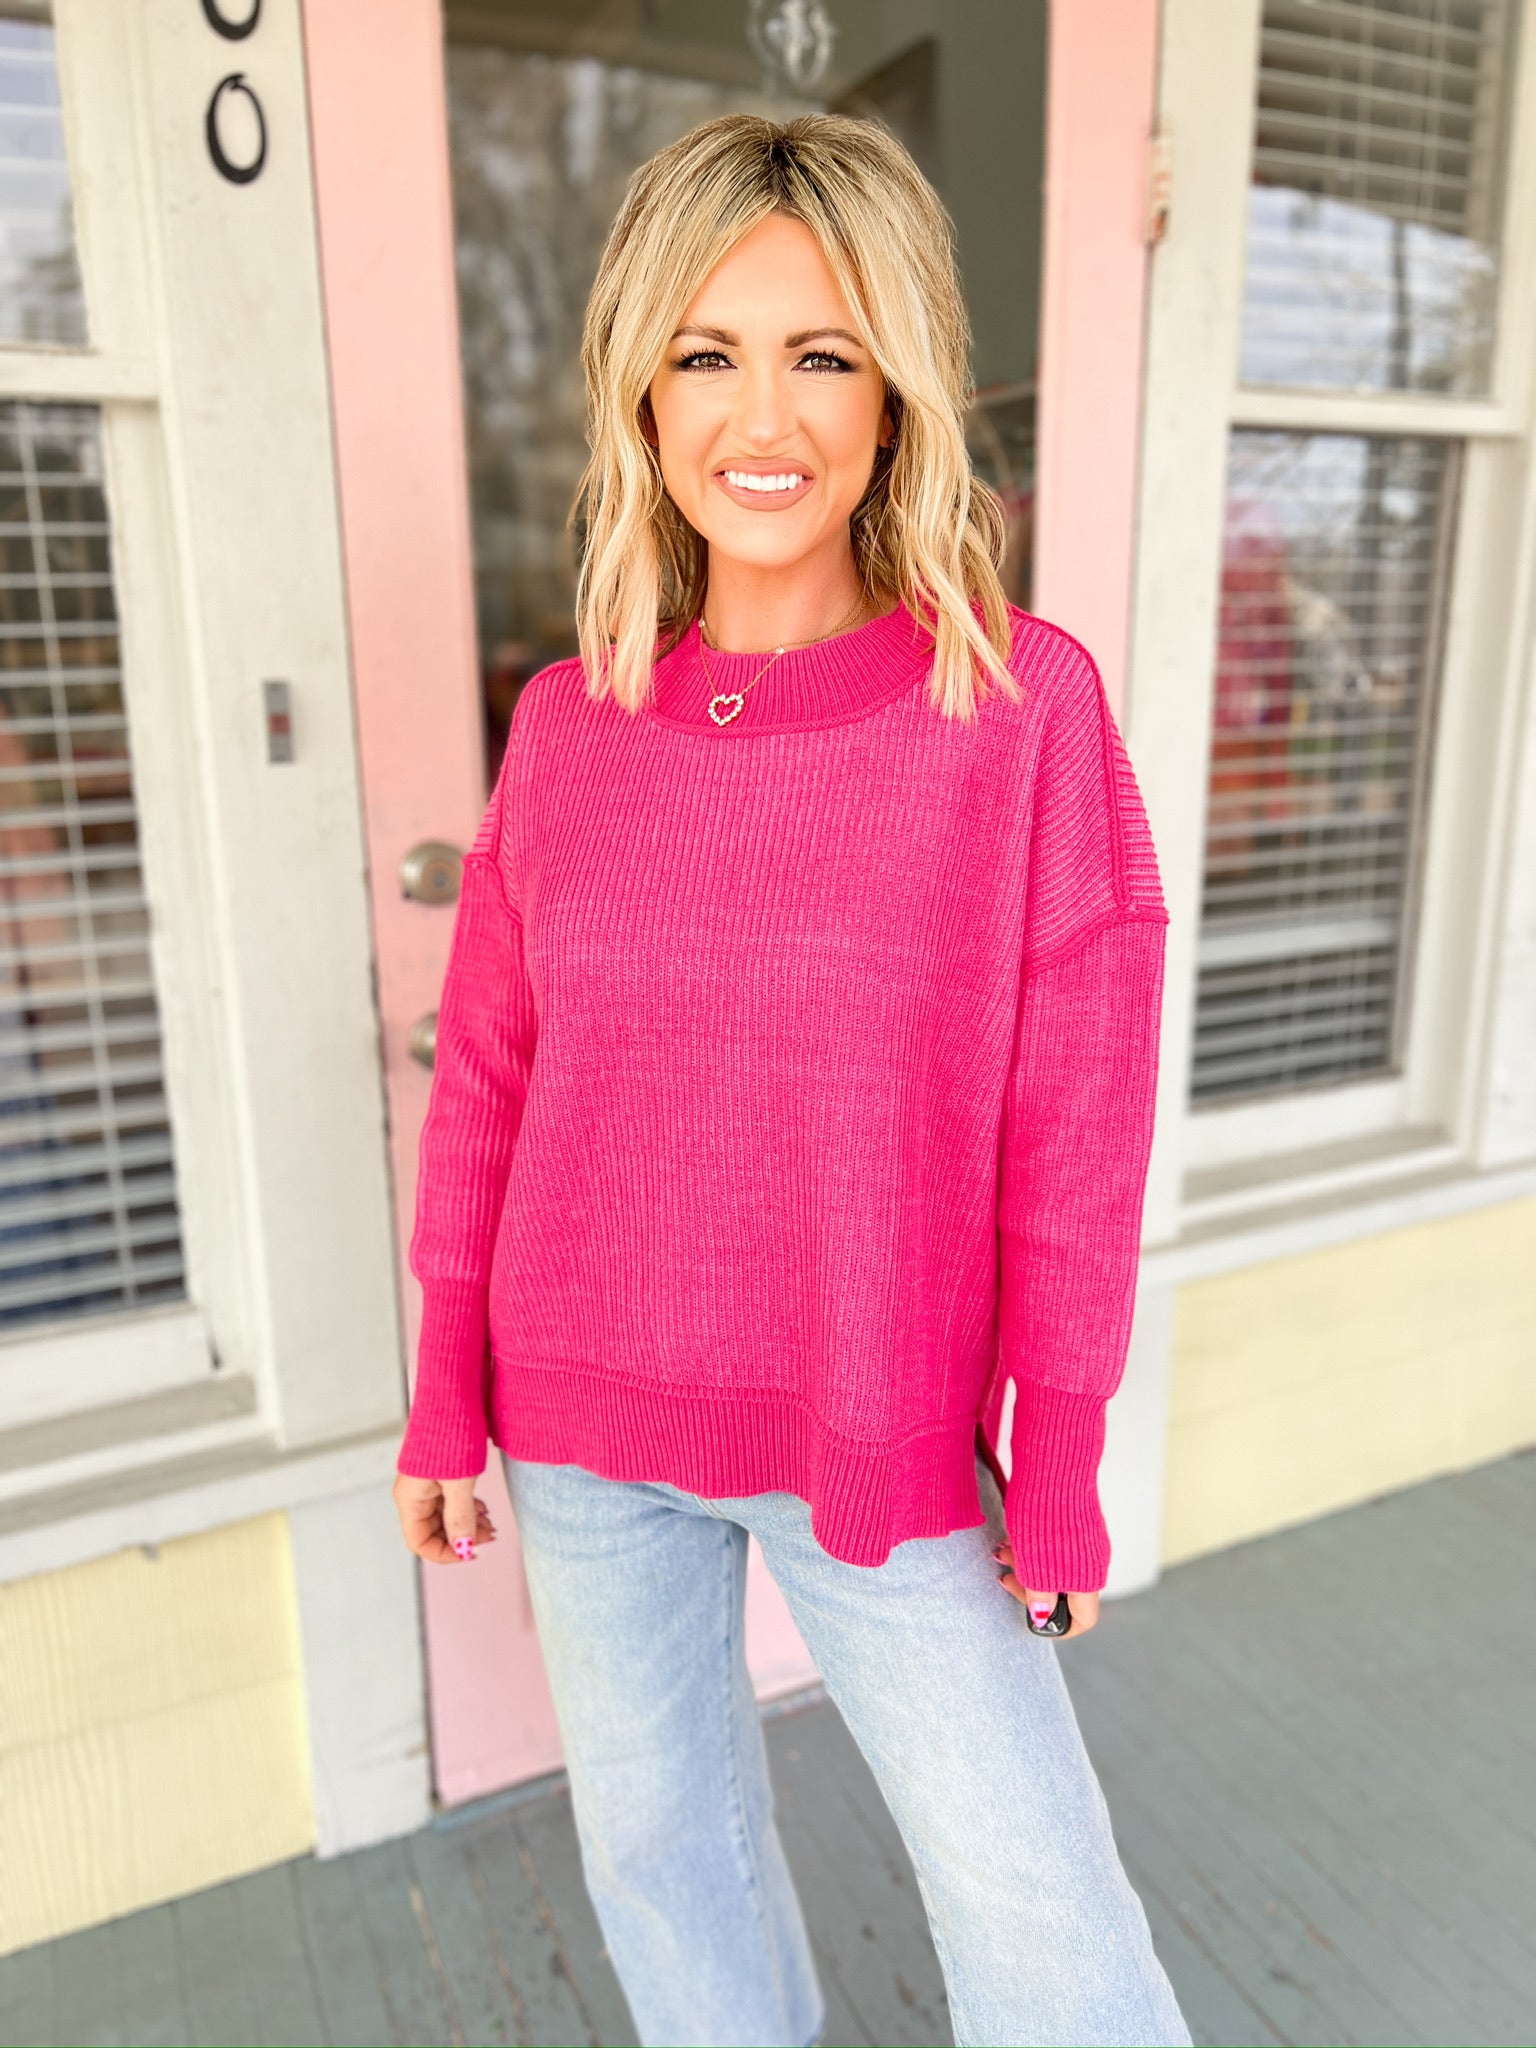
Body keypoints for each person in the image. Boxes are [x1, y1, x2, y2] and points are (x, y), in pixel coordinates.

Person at [392, 112, 1192, 2048]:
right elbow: (490, 1072)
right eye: (708, 353)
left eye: (822, 352)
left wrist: (1062, 1454)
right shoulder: (570, 724)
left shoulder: (1017, 708)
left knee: (1038, 1905)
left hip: (877, 1425)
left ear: (895, 389)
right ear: (642, 391)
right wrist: (442, 1394)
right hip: (578, 1423)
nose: (765, 416)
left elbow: (1075, 1130)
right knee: (663, 1861)